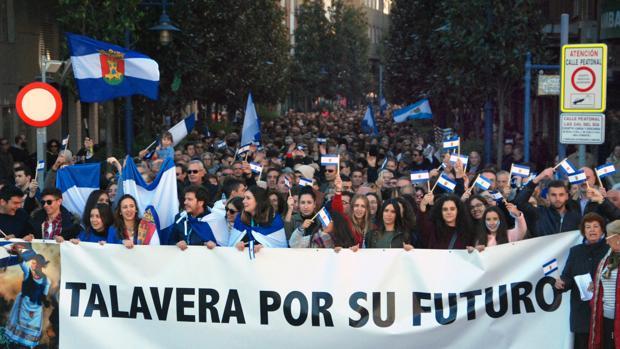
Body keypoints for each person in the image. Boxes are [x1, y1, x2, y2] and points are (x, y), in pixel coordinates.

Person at [553, 213, 609, 349]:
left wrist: (598, 285)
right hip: (581, 312)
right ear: (583, 231)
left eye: (596, 226)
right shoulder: (575, 251)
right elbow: (568, 276)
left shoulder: (610, 249)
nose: (592, 230)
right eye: (588, 227)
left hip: (604, 311)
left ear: (602, 230)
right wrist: (561, 284)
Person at [3, 252, 50, 348]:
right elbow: (21, 262)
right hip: (23, 305)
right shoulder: (28, 273)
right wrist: (18, 253)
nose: (32, 265)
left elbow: (43, 296)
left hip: (35, 309)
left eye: (34, 263)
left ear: (40, 265)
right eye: (32, 262)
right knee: (19, 333)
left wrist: (46, 302)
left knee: (29, 334)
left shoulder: (46, 281)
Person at [588, 219, 620, 349]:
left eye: (609, 236)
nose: (606, 240)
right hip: (606, 317)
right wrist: (596, 285)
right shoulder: (607, 257)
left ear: (618, 237)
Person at [229, 186, 288, 250]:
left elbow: (281, 249)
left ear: (258, 201)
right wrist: (237, 245)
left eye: (248, 198)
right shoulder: (240, 218)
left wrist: (264, 248)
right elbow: (230, 246)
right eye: (244, 198)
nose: (243, 201)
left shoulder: (275, 220)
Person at [171, 185, 217, 250]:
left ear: (200, 202)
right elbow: (170, 241)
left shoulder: (215, 220)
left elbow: (224, 245)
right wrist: (177, 244)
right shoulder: (180, 218)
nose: (185, 202)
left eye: (189, 199)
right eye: (185, 199)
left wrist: (214, 245)